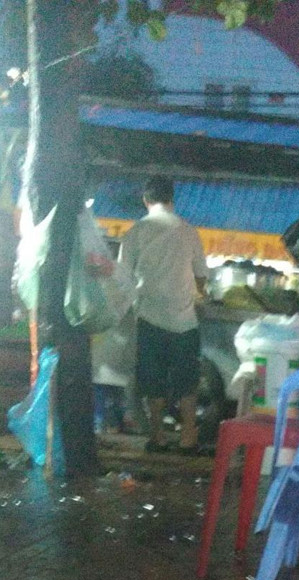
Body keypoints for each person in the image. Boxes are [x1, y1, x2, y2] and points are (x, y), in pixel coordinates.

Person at [119, 176, 208, 454]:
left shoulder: (136, 232)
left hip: (150, 318)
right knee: (187, 382)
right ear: (171, 199)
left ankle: (158, 437)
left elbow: (122, 277)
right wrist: (199, 292)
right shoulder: (189, 231)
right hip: (184, 320)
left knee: (153, 381)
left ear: (146, 200)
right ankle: (188, 438)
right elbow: (201, 275)